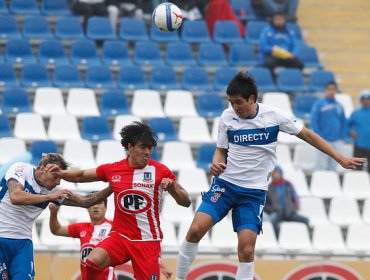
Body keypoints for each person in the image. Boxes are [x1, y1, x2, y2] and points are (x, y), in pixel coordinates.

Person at [175, 71, 366, 280]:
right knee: (195, 230)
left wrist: (339, 157)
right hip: (226, 186)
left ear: (252, 99)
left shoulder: (274, 116)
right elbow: (221, 149)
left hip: (253, 194)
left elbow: (308, 135)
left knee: (246, 250)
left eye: (238, 102)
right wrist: (215, 162)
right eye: (231, 102)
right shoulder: (227, 117)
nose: (234, 107)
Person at [47, 121, 191, 280]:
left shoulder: (160, 170)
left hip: (147, 241)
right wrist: (60, 173)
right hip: (121, 236)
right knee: (92, 261)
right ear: (130, 147)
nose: (148, 152)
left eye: (150, 148)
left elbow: (186, 202)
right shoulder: (113, 169)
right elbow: (81, 176)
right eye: (143, 147)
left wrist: (173, 188)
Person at [0, 153, 112, 280]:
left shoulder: (53, 190)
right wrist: (49, 197)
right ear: (42, 168)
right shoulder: (21, 169)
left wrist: (112, 187)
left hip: (23, 243)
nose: (58, 182)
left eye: (60, 178)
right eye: (55, 176)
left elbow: (85, 201)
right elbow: (15, 197)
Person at [49, 195, 173, 280]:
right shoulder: (80, 228)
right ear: (87, 207)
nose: (96, 206)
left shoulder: (115, 228)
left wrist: (162, 265)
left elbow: (139, 245)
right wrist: (53, 213)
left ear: (106, 207)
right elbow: (56, 230)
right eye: (92, 203)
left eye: (99, 203)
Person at [310, 81, 347, 171]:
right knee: (321, 166)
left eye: (333, 89)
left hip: (337, 140)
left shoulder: (339, 106)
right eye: (329, 89)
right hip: (323, 140)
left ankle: (333, 184)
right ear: (325, 90)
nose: (331, 91)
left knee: (334, 166)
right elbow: (314, 121)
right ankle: (320, 184)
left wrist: (341, 136)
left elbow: (343, 121)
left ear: (336, 90)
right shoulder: (318, 104)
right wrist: (319, 137)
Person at [264, 166, 309, 236]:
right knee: (273, 220)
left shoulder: (288, 185)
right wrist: (273, 209)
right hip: (277, 213)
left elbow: (295, 199)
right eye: (274, 173)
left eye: (277, 173)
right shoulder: (269, 188)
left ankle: (304, 237)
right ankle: (277, 238)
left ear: (281, 173)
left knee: (306, 220)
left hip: (289, 212)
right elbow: (266, 205)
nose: (276, 175)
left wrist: (293, 208)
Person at [347, 89, 370, 173]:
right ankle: (357, 185)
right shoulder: (355, 113)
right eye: (364, 98)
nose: (366, 100)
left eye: (368, 98)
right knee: (357, 170)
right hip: (359, 145)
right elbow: (347, 126)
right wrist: (351, 131)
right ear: (361, 100)